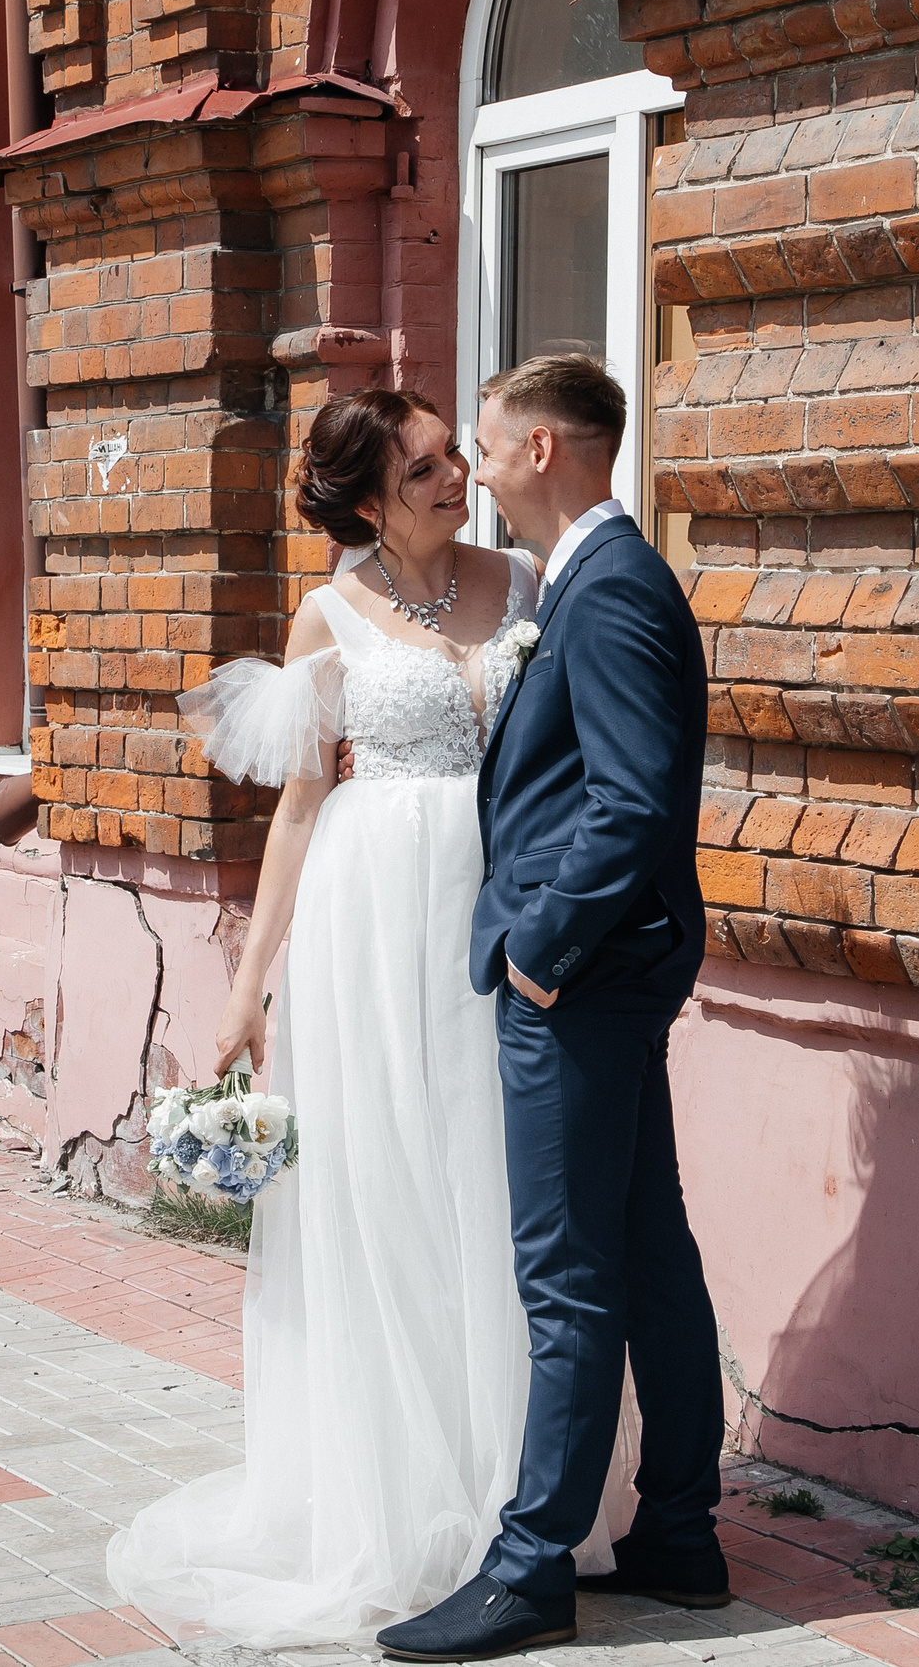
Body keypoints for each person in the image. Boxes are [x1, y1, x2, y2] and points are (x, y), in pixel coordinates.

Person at [105, 385, 639, 1650]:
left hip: (506, 909)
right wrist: (245, 988)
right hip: (371, 927)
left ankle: (527, 1504)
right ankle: (399, 1510)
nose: (453, 478)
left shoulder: (523, 581)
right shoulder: (326, 616)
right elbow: (298, 806)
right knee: (389, 1194)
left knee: (501, 1189)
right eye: (420, 471)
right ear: (361, 502)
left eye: (453, 454)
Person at [375, 355, 727, 1661]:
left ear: (539, 450)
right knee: (647, 1254)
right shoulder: (589, 579)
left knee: (568, 1276)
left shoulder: (615, 588)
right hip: (608, 977)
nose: (467, 469)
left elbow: (635, 801)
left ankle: (530, 1567)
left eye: (481, 442)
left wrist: (542, 950)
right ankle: (680, 1535)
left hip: (581, 981)